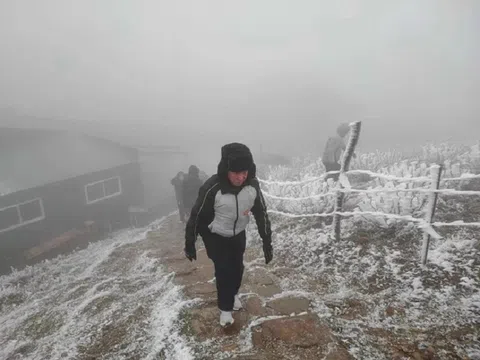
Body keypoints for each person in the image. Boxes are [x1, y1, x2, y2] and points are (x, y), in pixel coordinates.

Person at [184, 143, 273, 327]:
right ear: (226, 170)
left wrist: (266, 241)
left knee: (237, 268)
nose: (241, 177)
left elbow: (261, 212)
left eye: (245, 172)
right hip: (215, 235)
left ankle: (233, 294)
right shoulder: (212, 187)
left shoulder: (252, 186)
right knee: (224, 270)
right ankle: (225, 310)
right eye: (236, 173)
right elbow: (196, 215)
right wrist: (190, 242)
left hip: (238, 233)